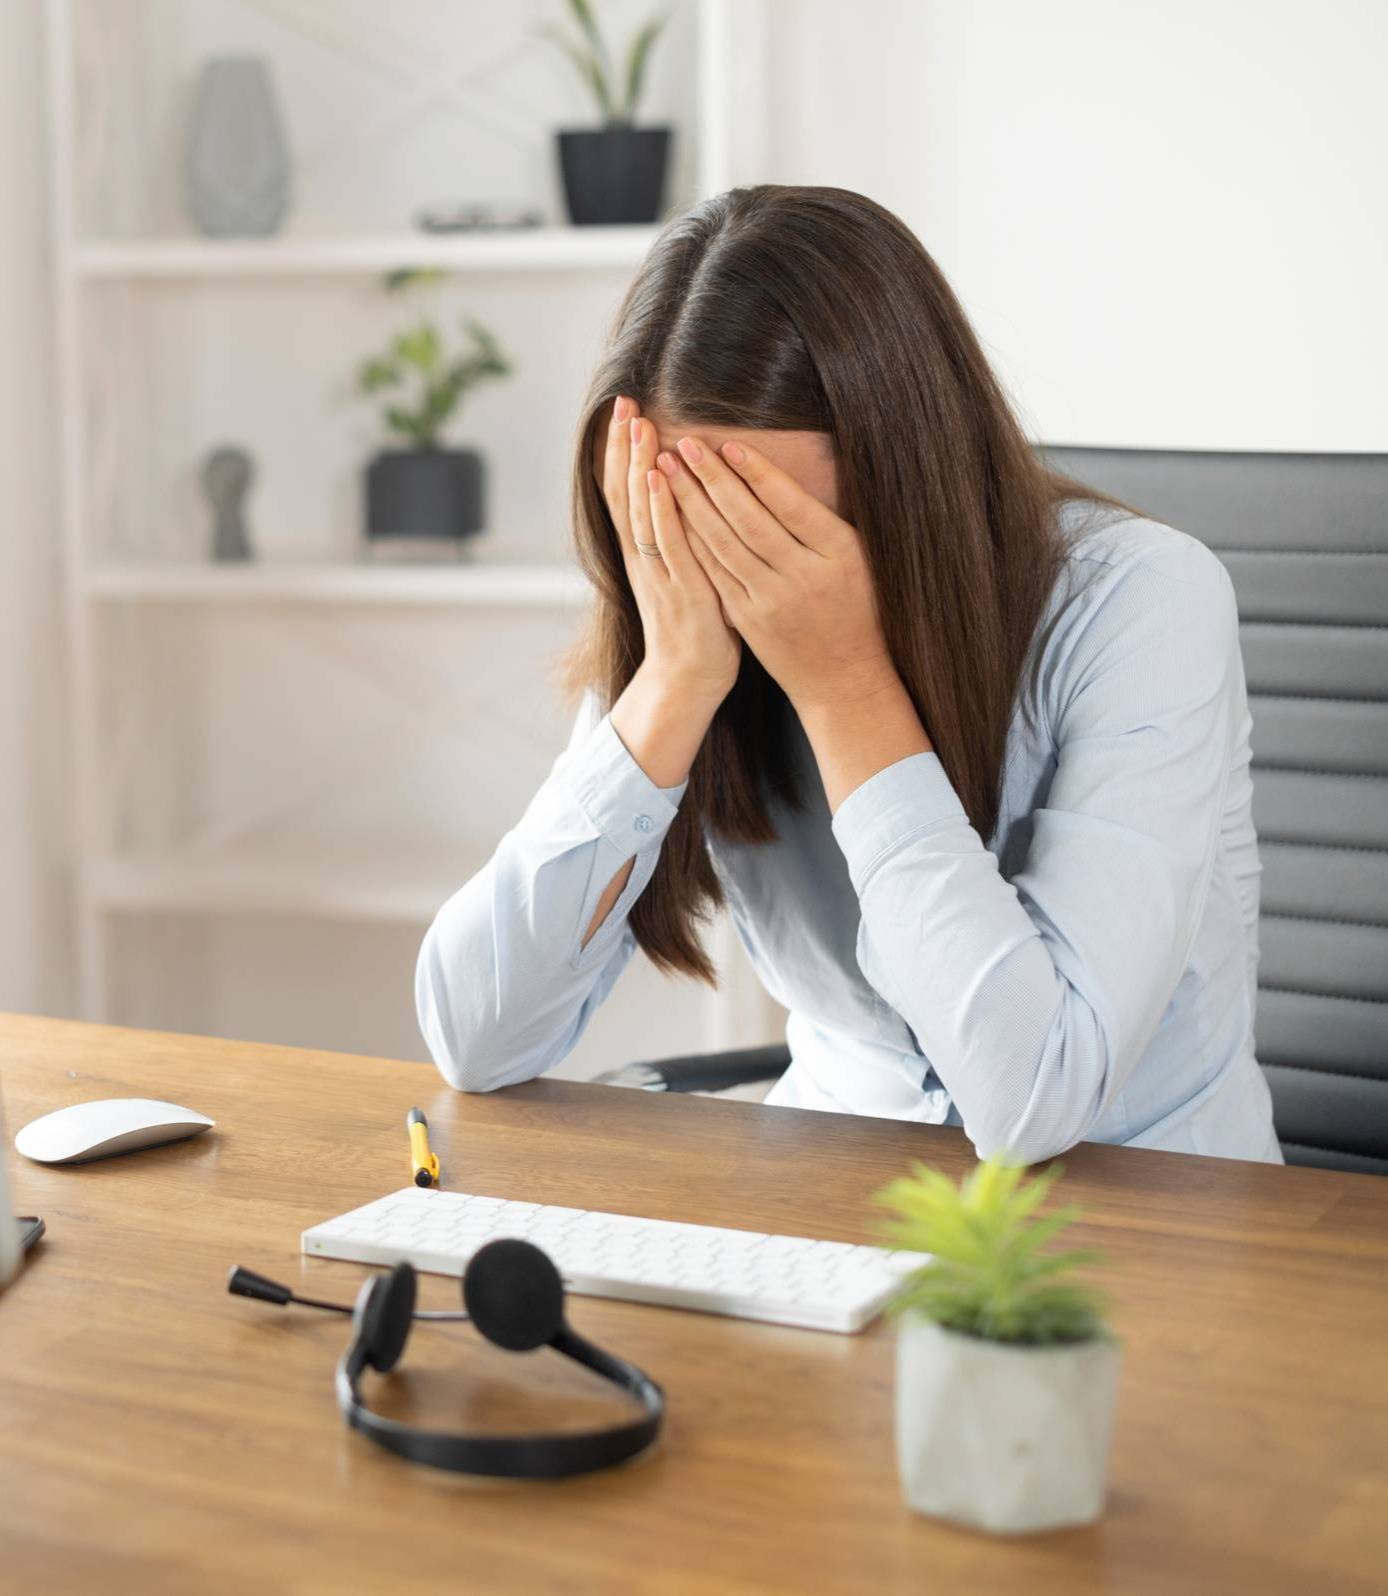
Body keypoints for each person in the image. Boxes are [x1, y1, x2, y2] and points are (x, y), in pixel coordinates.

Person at [414, 185, 1280, 1166]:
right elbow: (476, 1039)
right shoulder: (685, 618)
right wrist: (671, 685)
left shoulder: (1144, 601)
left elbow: (1037, 1097)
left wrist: (847, 689)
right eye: (692, 516)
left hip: (1144, 1212)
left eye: (771, 525)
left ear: (906, 473)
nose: (735, 564)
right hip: (829, 1192)